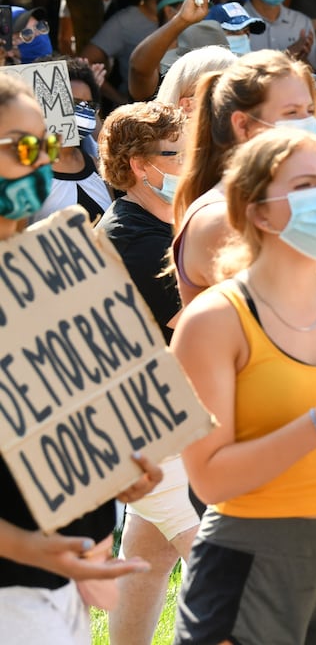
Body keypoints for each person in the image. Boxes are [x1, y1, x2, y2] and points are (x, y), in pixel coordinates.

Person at [170, 129, 316, 644]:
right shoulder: (214, 320)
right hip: (248, 561)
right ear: (257, 212)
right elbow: (210, 480)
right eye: (305, 186)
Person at [0, 76, 165, 644]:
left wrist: (116, 475)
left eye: (43, 145)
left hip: (60, 581)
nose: (39, 162)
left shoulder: (59, 258)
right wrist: (27, 546)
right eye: (20, 147)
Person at [94, 102, 200, 645]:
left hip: (172, 421)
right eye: (175, 154)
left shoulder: (167, 224)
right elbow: (199, 327)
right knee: (219, 568)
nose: (188, 163)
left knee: (146, 557)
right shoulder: (130, 238)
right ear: (139, 165)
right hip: (151, 428)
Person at [171, 50, 316, 306]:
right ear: (243, 126)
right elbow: (288, 319)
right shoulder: (221, 216)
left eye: (310, 110)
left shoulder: (278, 199)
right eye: (291, 112)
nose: (306, 123)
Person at [34, 59, 111, 222]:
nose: (84, 110)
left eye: (89, 104)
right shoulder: (25, 171)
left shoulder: (97, 166)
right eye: (73, 103)